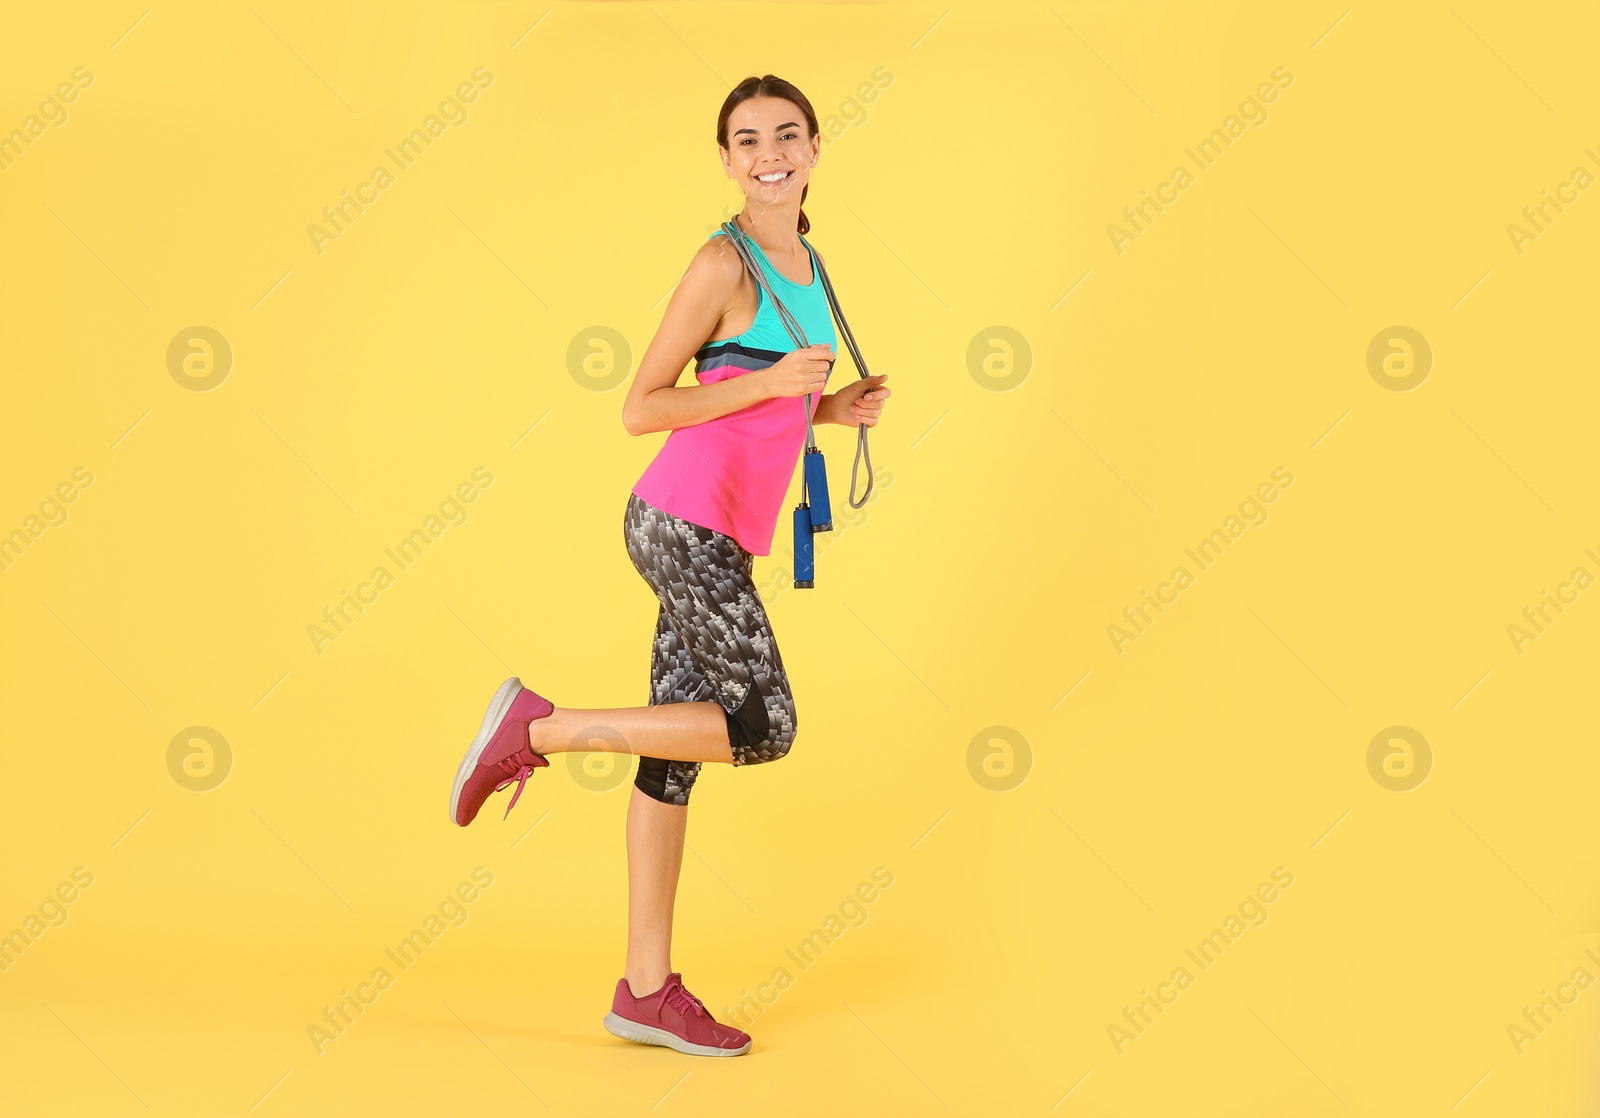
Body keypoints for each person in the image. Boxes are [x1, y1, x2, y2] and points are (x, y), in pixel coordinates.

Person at [446, 74, 891, 1057]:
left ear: (815, 148)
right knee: (761, 724)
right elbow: (642, 405)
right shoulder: (719, 264)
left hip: (718, 528)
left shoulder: (806, 262)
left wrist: (827, 407)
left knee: (676, 755)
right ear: (727, 161)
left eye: (786, 135)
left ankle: (645, 989)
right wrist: (779, 381)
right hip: (680, 520)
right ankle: (541, 727)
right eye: (746, 140)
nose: (768, 152)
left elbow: (752, 396)